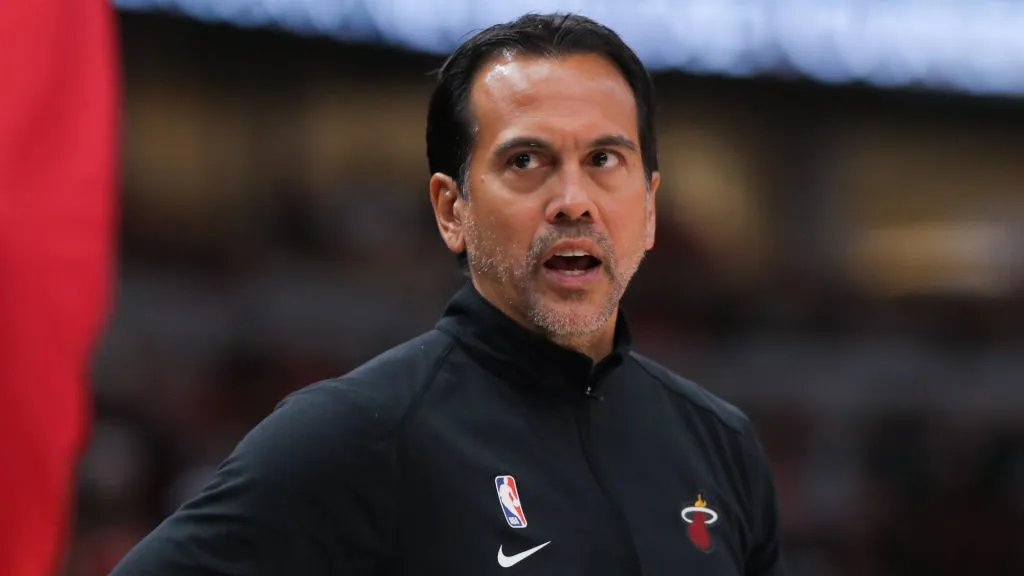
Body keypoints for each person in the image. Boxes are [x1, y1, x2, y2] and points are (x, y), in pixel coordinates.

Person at [110, 13, 786, 575]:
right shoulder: (355, 433)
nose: (573, 201)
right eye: (526, 161)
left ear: (650, 205)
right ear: (450, 210)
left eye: (604, 161)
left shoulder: (720, 443)